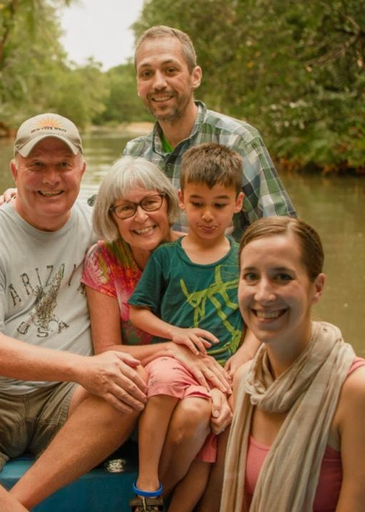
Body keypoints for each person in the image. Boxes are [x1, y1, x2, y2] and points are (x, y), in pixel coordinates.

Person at [0, 113, 148, 510]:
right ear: (15, 171)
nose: (51, 178)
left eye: (63, 165)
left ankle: (14, 503)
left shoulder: (101, 224)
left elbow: (162, 231)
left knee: (126, 392)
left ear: (82, 169)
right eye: (37, 166)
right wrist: (83, 368)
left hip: (61, 400)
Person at [83, 154, 234, 511]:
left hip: (197, 380)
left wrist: (223, 384)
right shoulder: (103, 259)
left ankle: (155, 499)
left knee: (199, 413)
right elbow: (106, 350)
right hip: (140, 389)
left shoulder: (197, 252)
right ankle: (153, 496)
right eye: (125, 209)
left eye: (150, 202)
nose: (141, 217)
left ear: (170, 202)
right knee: (187, 409)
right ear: (111, 217)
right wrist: (170, 349)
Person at [127, 143, 260, 511]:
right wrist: (176, 334)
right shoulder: (167, 256)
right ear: (182, 200)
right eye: (198, 203)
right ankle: (148, 481)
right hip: (174, 360)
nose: (207, 215)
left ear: (236, 203)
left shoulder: (244, 258)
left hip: (220, 370)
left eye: (219, 204)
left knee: (203, 462)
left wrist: (242, 357)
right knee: (166, 380)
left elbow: (255, 318)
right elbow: (139, 312)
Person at [221, 217, 365, 511]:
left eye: (282, 277)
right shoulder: (245, 383)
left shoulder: (354, 391)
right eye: (251, 276)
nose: (262, 294)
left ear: (318, 287)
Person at [123, 25, 296, 240]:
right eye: (147, 73)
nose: (158, 83)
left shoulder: (237, 139)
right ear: (138, 85)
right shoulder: (134, 153)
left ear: (195, 77)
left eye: (170, 70)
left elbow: (281, 233)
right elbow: (107, 222)